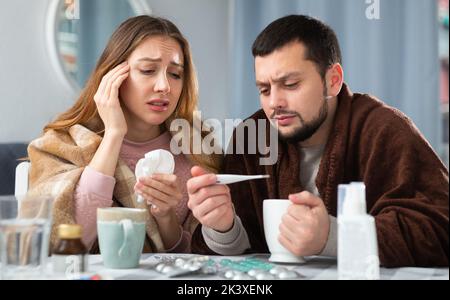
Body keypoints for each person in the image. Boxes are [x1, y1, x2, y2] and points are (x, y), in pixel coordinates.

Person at [188, 15, 449, 267]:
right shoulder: (251, 137)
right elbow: (245, 248)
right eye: (264, 89)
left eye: (290, 84)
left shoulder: (384, 129)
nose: (274, 102)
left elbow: (439, 232)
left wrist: (334, 237)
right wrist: (223, 228)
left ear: (332, 81)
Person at [25, 16, 221, 253]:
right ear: (113, 76)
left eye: (175, 74)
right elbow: (68, 242)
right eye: (148, 70)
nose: (164, 86)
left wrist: (166, 216)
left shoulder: (199, 151)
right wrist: (114, 134)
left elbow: (194, 256)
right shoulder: (63, 145)